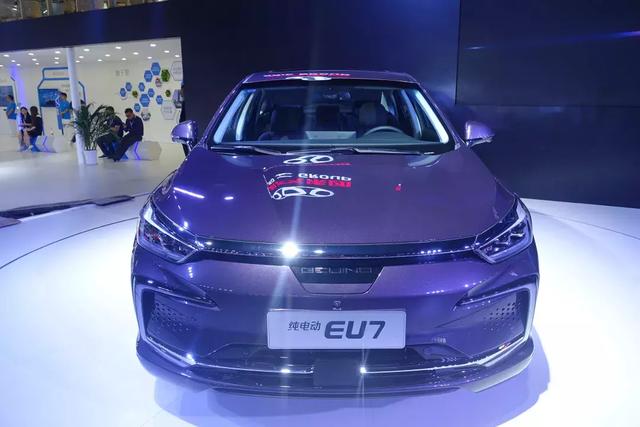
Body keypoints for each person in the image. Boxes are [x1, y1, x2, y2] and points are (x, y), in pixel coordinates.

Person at [178, 84, 189, 157]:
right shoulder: (184, 102)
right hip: (183, 131)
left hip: (187, 131)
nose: (181, 92)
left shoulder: (187, 103)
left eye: (182, 91)